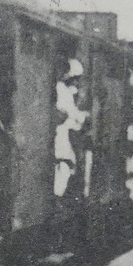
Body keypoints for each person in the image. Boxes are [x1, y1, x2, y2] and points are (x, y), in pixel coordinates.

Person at [53, 59, 88, 198]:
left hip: (68, 136)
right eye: (75, 78)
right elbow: (69, 113)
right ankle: (58, 197)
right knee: (64, 168)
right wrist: (81, 117)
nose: (76, 82)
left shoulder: (68, 91)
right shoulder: (61, 89)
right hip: (62, 136)